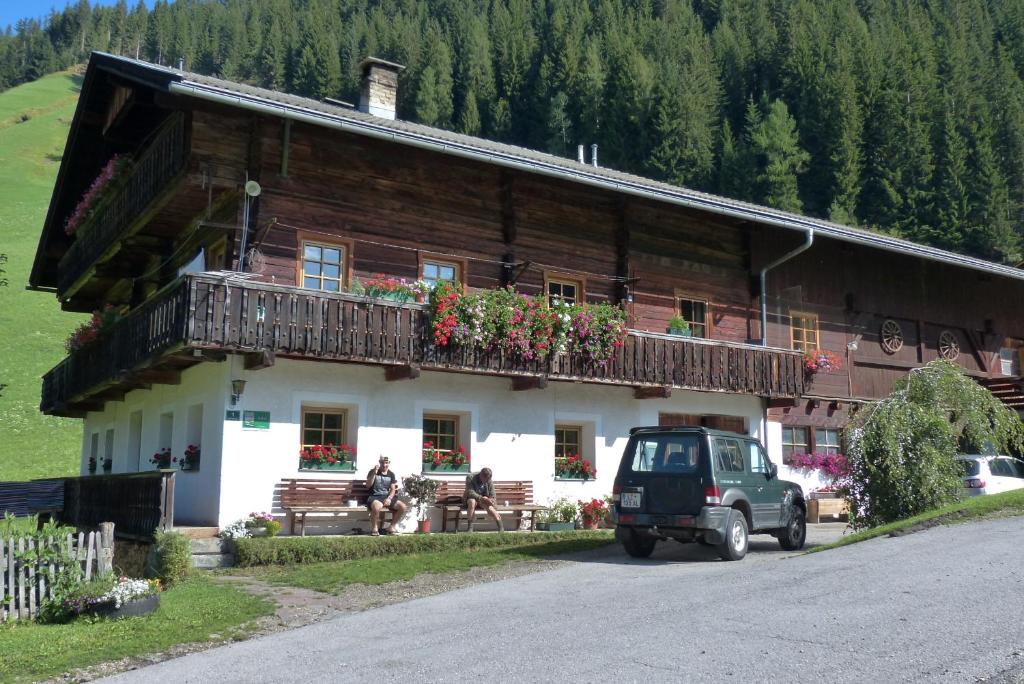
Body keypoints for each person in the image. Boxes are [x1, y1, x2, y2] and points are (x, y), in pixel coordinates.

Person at [365, 456, 407, 536]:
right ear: (379, 462)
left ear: (389, 463)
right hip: (374, 496)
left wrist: (389, 498)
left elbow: (393, 489)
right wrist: (374, 473)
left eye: (386, 463)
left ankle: (391, 527)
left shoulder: (391, 474)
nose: (384, 465)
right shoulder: (373, 471)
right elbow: (368, 485)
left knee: (403, 507)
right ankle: (375, 528)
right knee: (377, 507)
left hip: (386, 497)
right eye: (382, 463)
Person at [463, 467, 504, 532]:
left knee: (490, 508)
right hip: (471, 498)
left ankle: (501, 528)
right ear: (481, 475)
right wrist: (481, 498)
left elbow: (492, 494)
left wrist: (491, 500)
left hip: (483, 500)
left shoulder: (489, 479)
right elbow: (470, 492)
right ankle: (470, 528)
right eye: (486, 479)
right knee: (472, 502)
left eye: (488, 479)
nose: (487, 481)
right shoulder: (470, 477)